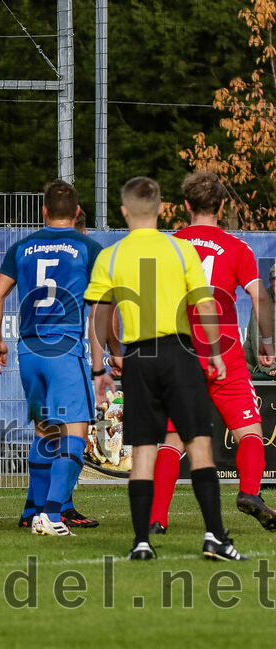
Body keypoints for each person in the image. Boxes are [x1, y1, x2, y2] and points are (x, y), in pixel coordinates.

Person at [86, 176, 245, 561]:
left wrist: (100, 367)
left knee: (144, 450)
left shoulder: (111, 255)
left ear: (124, 211)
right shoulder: (180, 250)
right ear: (162, 209)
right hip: (179, 352)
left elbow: (99, 314)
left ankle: (141, 542)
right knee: (199, 446)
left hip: (139, 358)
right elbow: (206, 305)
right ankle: (215, 538)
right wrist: (216, 354)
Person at [149, 172, 276, 533]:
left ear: (186, 205)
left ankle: (157, 518)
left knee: (173, 441)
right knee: (250, 433)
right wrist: (266, 345)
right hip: (225, 351)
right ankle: (250, 492)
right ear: (222, 205)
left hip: (181, 352)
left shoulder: (168, 247)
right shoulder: (237, 248)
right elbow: (259, 296)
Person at [0, 180, 101, 536]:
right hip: (64, 349)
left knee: (45, 429)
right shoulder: (88, 248)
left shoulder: (22, 247)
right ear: (78, 213)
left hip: (29, 351)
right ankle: (51, 515)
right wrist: (104, 358)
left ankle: (32, 508)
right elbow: (99, 309)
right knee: (77, 430)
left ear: (44, 211)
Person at [245, 264, 276, 379]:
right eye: (274, 279)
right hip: (256, 367)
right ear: (271, 281)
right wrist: (270, 367)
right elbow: (257, 337)